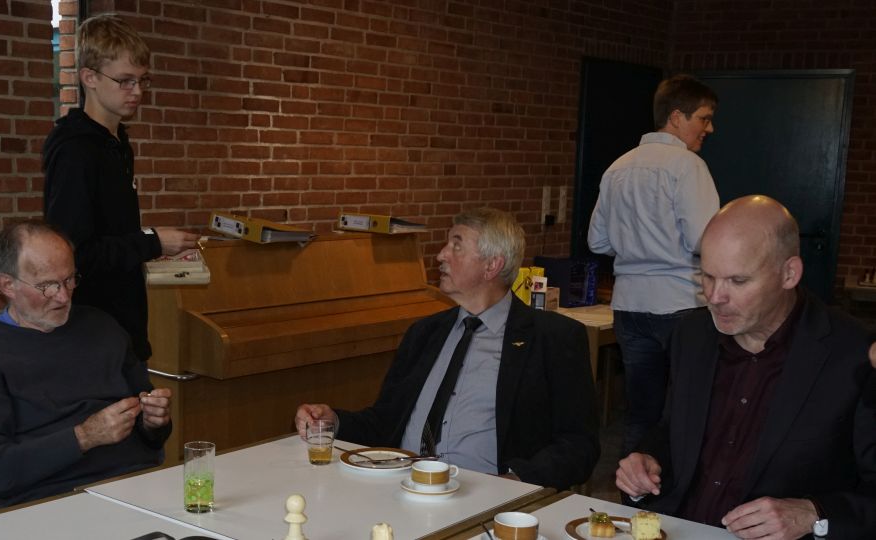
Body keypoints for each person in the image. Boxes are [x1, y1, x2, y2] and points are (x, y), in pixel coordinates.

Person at [616, 196, 876, 539]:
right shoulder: (692, 335)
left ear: (789, 273)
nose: (715, 297)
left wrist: (813, 514)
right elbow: (672, 430)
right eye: (707, 276)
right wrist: (646, 460)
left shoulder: (854, 354)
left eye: (738, 281)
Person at [295, 207, 599, 490]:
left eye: (457, 246)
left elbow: (579, 446)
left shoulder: (552, 338)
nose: (441, 255)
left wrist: (515, 482)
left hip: (484, 495)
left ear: (492, 265)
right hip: (403, 484)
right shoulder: (425, 333)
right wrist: (333, 420)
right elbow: (386, 421)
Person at [0, 220, 173, 508]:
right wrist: (83, 437)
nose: (63, 296)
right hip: (51, 501)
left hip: (138, 485)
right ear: (7, 284)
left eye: (69, 279)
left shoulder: (103, 326)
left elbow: (153, 437)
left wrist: (154, 421)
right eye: (47, 286)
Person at [42, 14, 198, 362]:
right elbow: (74, 254)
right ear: (90, 78)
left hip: (123, 323)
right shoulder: (76, 151)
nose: (137, 92)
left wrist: (152, 248)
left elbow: (111, 233)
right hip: (92, 331)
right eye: (125, 81)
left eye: (143, 80)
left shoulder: (116, 143)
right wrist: (153, 241)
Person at [587, 74, 721, 454]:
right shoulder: (688, 166)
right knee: (687, 410)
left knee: (641, 414)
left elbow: (597, 241)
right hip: (681, 303)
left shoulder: (617, 167)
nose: (709, 128)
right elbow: (704, 240)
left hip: (629, 305)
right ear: (676, 117)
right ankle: (677, 488)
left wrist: (638, 246)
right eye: (704, 118)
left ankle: (633, 487)